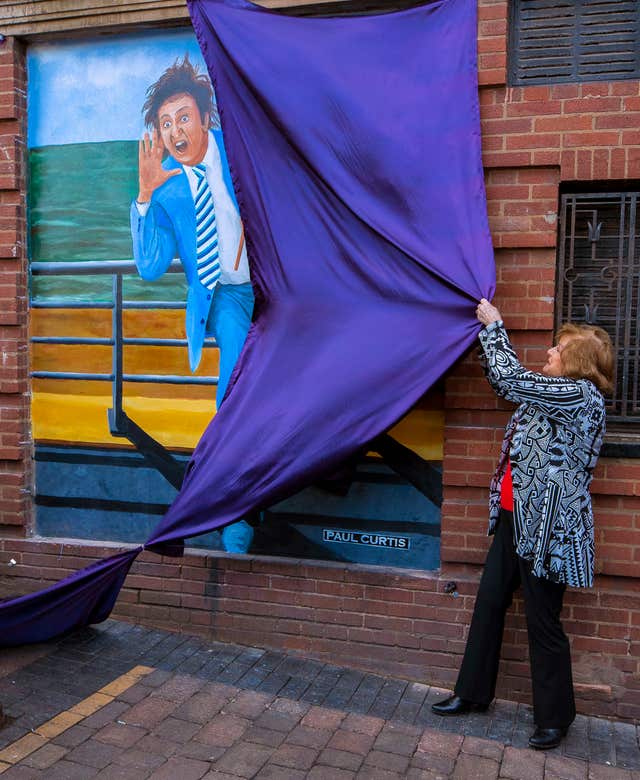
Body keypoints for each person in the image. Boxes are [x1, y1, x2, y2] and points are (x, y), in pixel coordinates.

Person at [432, 299, 614, 751]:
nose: (550, 351)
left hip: (549, 529)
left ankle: (555, 718)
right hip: (516, 520)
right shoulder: (549, 394)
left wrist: (494, 327)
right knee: (490, 602)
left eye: (559, 348)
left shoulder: (579, 396)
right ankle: (472, 694)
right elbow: (504, 381)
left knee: (542, 620)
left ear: (577, 362)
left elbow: (511, 379)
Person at [130, 56, 254, 554]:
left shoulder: (240, 151)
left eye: (183, 117)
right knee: (233, 398)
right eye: (165, 123)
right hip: (226, 297)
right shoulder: (164, 189)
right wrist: (143, 195)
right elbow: (151, 267)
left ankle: (205, 509)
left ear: (204, 117)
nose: (176, 130)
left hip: (274, 287)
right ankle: (232, 516)